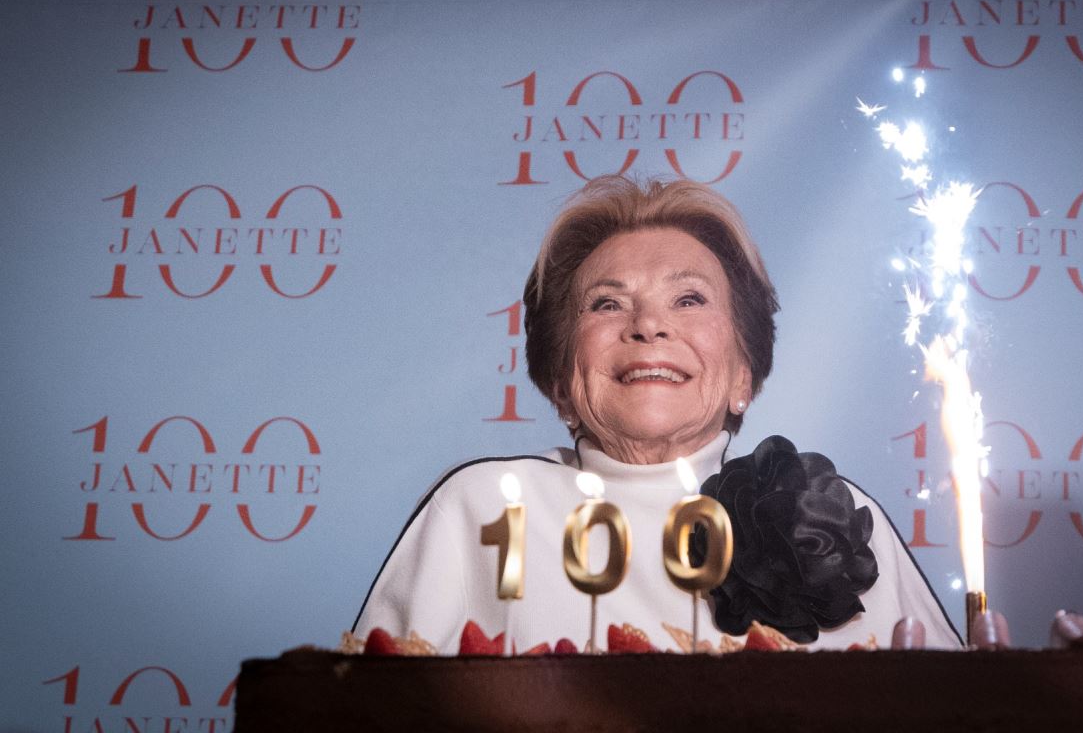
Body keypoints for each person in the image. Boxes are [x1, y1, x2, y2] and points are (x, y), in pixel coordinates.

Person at [354, 176, 960, 652]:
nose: (648, 325)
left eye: (689, 298)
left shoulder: (832, 514)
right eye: (608, 303)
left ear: (743, 375)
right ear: (563, 382)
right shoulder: (481, 508)